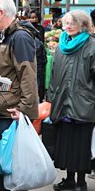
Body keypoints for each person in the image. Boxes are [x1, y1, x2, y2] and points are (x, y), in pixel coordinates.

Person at [0, 0, 38, 191]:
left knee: (9, 170)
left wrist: (23, 108)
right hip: (3, 110)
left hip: (11, 113)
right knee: (2, 167)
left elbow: (28, 74)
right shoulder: (6, 35)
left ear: (1, 12)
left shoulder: (19, 37)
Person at [48, 10, 95, 191]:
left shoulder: (91, 45)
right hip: (62, 103)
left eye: (72, 23)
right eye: (66, 23)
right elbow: (54, 75)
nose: (67, 26)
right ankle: (69, 179)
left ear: (83, 25)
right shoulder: (61, 46)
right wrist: (52, 97)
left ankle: (81, 182)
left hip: (84, 104)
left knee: (81, 146)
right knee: (66, 144)